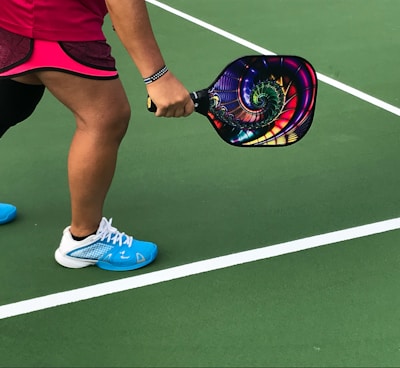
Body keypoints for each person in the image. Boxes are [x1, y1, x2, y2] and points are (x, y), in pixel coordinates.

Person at [0, 0, 194, 271]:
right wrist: (158, 76)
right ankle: (85, 239)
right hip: (58, 17)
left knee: (14, 96)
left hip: (14, 10)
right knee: (106, 117)